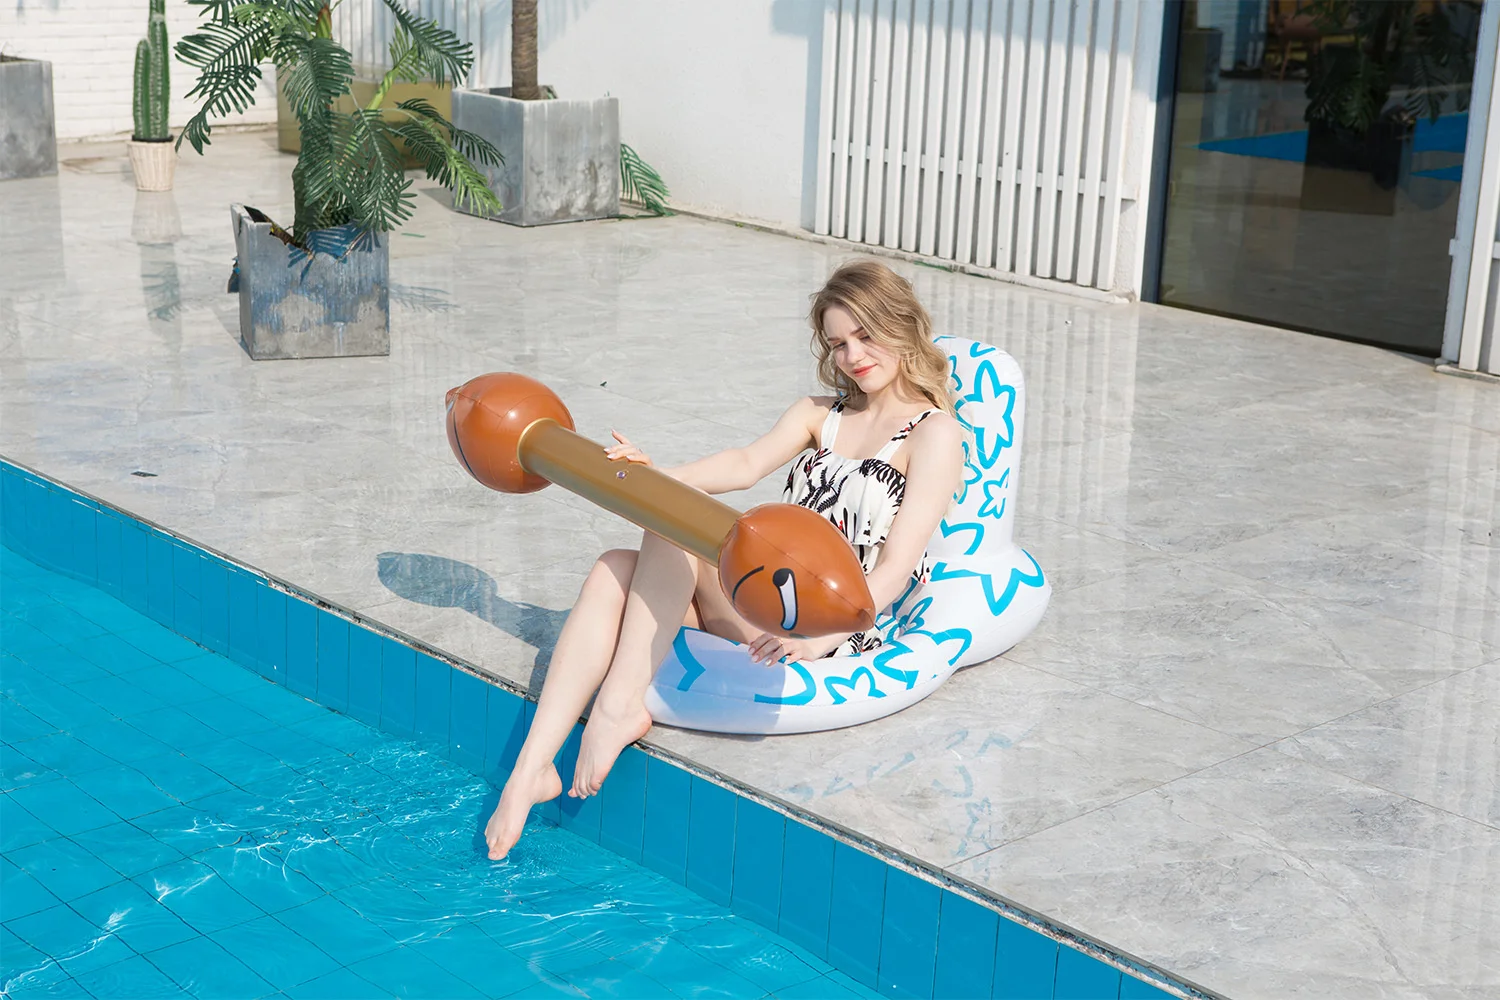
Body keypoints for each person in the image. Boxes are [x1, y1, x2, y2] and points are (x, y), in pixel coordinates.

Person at [484, 259, 966, 860]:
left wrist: (819, 636)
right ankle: (530, 770)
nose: (853, 356)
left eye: (865, 335)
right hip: (762, 595)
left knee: (669, 525)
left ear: (900, 324)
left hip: (830, 621)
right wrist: (657, 476)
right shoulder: (821, 414)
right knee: (614, 567)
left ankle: (616, 706)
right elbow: (743, 464)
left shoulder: (933, 434)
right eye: (839, 343)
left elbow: (896, 565)